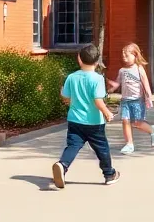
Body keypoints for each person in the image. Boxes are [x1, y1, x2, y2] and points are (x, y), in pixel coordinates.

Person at [51, 44, 119, 188]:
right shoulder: (97, 79)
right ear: (97, 62)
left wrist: (64, 95)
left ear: (79, 59)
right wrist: (107, 112)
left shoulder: (71, 77)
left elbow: (66, 98)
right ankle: (109, 174)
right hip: (94, 123)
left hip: (75, 121)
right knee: (102, 149)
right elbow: (98, 101)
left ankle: (63, 165)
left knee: (73, 146)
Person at [108, 43, 154, 155]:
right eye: (123, 56)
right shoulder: (122, 70)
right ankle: (129, 144)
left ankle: (152, 131)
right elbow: (117, 83)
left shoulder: (139, 69)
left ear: (135, 55)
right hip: (125, 101)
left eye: (127, 56)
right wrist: (111, 87)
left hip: (137, 100)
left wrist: (148, 97)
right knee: (125, 121)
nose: (125, 58)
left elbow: (146, 83)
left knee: (137, 123)